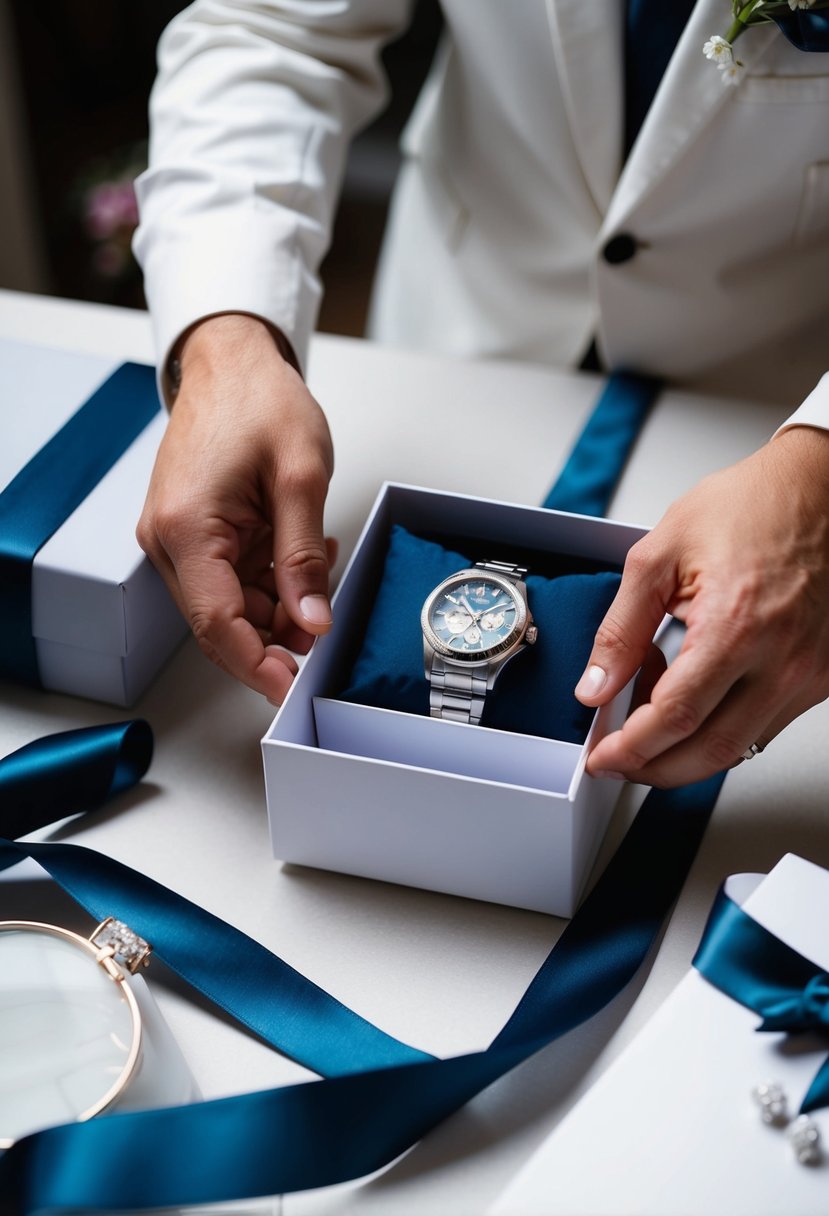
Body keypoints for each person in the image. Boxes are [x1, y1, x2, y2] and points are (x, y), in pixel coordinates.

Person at [133, 1, 829, 789]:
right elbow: (271, 27)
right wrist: (225, 338)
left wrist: (819, 478)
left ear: (523, 634)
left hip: (762, 404)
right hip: (455, 342)